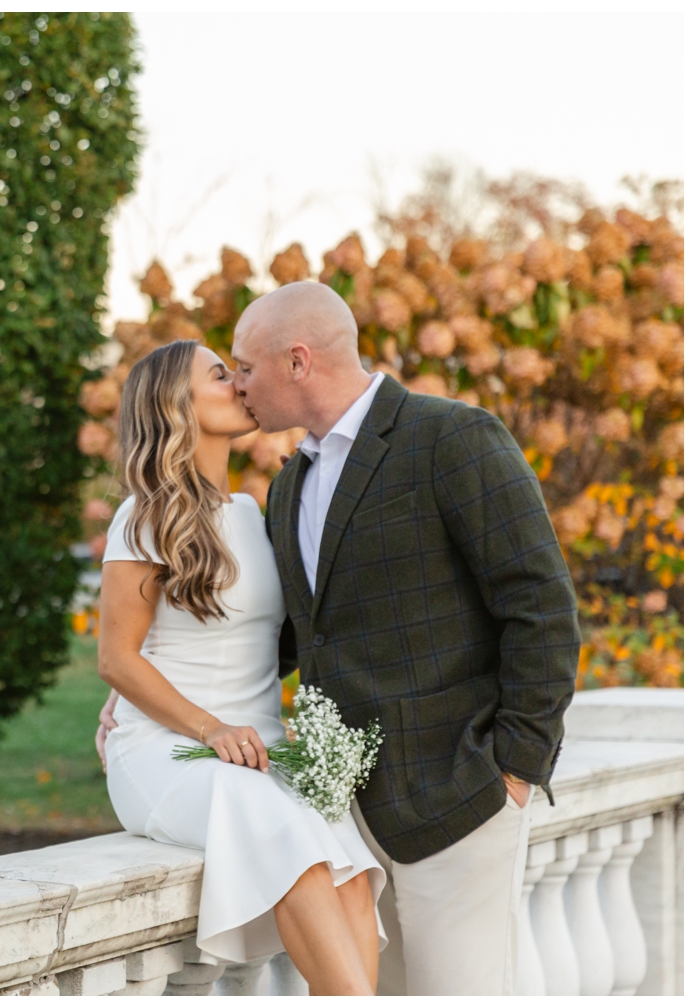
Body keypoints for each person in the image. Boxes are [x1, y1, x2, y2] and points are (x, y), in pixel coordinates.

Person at [223, 280, 577, 995]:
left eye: (244, 366)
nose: (236, 385)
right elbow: (294, 636)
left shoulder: (451, 438)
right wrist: (155, 695)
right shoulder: (289, 484)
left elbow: (540, 606)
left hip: (460, 798)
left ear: (297, 362)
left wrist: (513, 768)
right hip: (344, 821)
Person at [96, 337, 385, 996]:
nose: (241, 384)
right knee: (291, 837)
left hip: (260, 750)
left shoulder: (256, 512)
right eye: (221, 375)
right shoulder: (141, 519)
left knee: (351, 867)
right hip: (172, 753)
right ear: (177, 406)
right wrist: (207, 728)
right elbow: (117, 656)